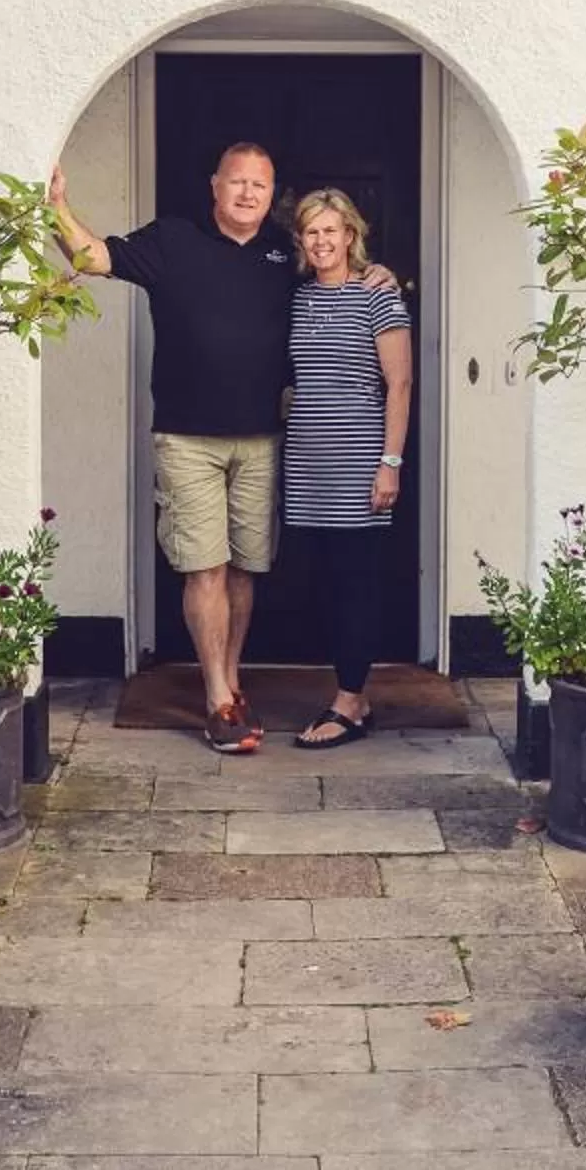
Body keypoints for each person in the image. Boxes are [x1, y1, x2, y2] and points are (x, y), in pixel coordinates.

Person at [48, 143, 393, 753]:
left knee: (243, 568)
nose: (247, 194)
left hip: (261, 439)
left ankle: (231, 683)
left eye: (259, 185)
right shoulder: (171, 240)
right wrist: (55, 208)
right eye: (237, 182)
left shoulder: (284, 255)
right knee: (204, 565)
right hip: (188, 438)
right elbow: (91, 255)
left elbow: (333, 262)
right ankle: (217, 699)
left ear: (272, 192)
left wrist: (376, 272)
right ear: (215, 185)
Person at [283, 188, 413, 748]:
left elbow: (400, 384)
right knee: (323, 585)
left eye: (331, 231)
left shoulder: (378, 296)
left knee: (355, 583)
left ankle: (352, 702)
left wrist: (390, 464)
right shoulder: (297, 299)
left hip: (360, 461)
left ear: (351, 236)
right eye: (311, 231)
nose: (321, 241)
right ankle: (350, 692)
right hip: (307, 463)